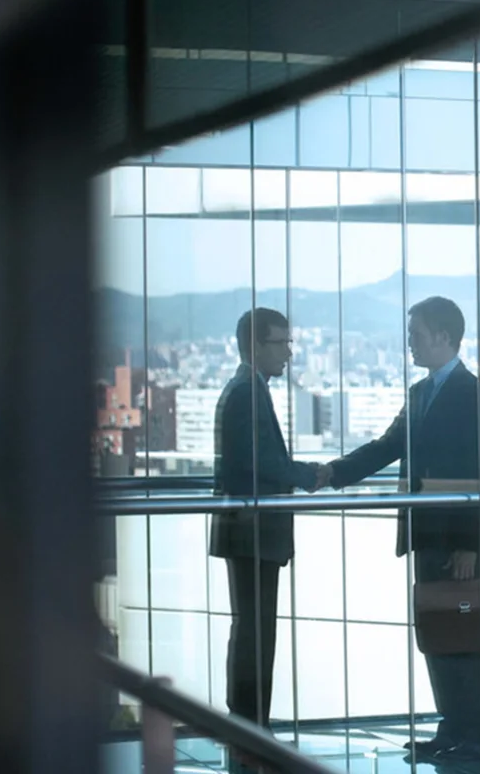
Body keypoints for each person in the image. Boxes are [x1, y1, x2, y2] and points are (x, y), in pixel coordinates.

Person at [323, 296, 480, 769]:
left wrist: (469, 544)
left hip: (458, 540)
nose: (409, 345)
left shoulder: (474, 394)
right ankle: (453, 729)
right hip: (425, 533)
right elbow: (387, 447)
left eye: (416, 335)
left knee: (469, 639)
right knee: (439, 635)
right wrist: (332, 473)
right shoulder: (422, 393)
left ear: (444, 337)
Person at [210, 308, 323, 729]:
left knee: (253, 628)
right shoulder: (247, 392)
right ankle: (250, 723)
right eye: (282, 343)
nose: (289, 353)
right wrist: (313, 475)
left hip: (249, 529)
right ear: (256, 345)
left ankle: (249, 721)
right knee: (256, 632)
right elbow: (266, 463)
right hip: (251, 530)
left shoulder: (248, 388)